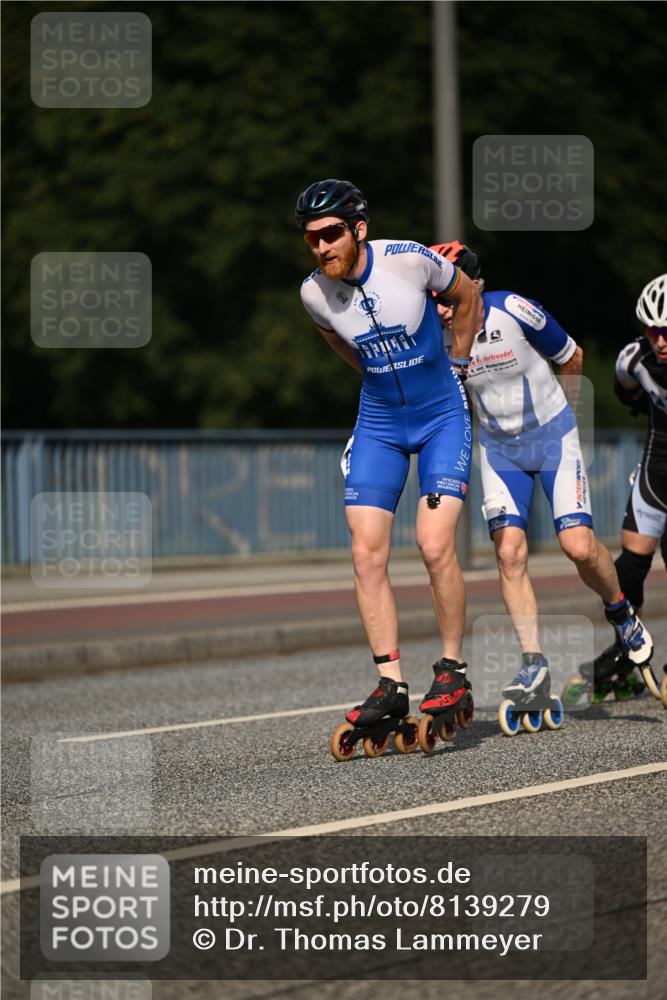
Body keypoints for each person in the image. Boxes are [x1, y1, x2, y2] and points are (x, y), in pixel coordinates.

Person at [429, 241, 653, 711]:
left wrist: (564, 419)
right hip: (498, 450)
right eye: (433, 297)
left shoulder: (512, 309)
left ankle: (620, 611)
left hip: (552, 438)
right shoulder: (434, 333)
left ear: (471, 287)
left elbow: (571, 356)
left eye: (446, 297)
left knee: (577, 546)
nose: (440, 308)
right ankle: (533, 662)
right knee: (509, 552)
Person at [296, 180, 479, 751]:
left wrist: (461, 364)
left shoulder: (408, 261)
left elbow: (469, 295)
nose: (322, 247)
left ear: (358, 230)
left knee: (432, 544)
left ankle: (451, 667)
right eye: (311, 239)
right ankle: (390, 683)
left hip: (441, 414)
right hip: (379, 422)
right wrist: (381, 387)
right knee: (365, 549)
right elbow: (343, 346)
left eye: (331, 234)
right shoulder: (312, 295)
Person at [591, 273, 667, 690]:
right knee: (627, 570)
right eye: (652, 331)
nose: (660, 341)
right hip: (658, 467)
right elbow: (626, 391)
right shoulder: (632, 360)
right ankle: (626, 648)